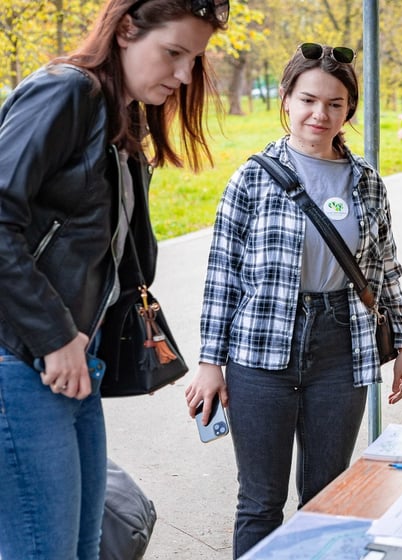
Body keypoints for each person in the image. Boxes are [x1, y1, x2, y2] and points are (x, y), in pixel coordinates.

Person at [0, 1, 227, 558]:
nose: (182, 75)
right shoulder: (66, 93)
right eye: (173, 53)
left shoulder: (117, 115)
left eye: (193, 60)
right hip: (22, 360)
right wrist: (55, 336)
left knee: (85, 547)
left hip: (73, 363)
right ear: (126, 29)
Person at [185, 42, 402, 557]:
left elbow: (386, 269)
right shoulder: (251, 178)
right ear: (287, 99)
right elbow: (222, 273)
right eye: (309, 100)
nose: (321, 114)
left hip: (341, 345)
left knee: (326, 498)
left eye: (335, 104)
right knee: (261, 502)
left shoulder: (367, 184)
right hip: (261, 348)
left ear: (348, 111)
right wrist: (209, 361)